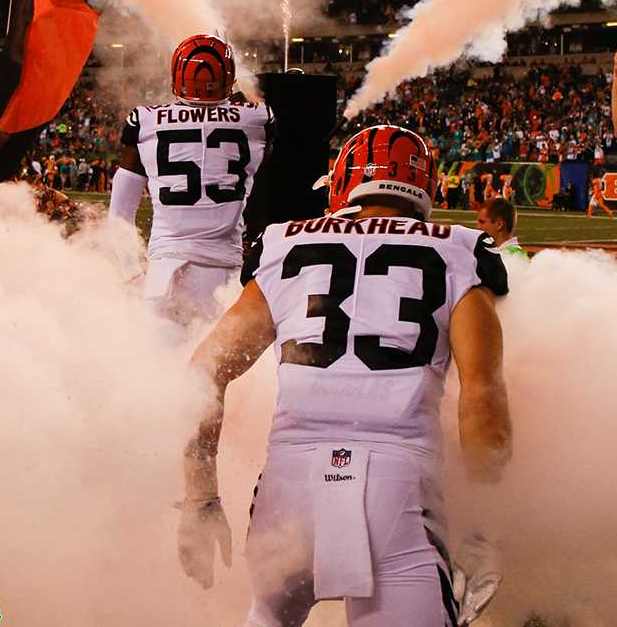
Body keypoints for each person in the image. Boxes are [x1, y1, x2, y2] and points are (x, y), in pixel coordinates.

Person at [178, 125, 512, 627]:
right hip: (399, 491)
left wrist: (201, 494)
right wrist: (486, 528)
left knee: (269, 614)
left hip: (287, 488)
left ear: (342, 184)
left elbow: (205, 373)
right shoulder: (461, 249)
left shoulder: (283, 243)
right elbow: (482, 402)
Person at [109, 34, 274, 331]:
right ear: (229, 77)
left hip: (164, 271)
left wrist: (131, 272)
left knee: (160, 367)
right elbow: (267, 190)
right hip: (224, 275)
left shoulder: (144, 121)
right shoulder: (258, 120)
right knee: (211, 370)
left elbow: (120, 212)